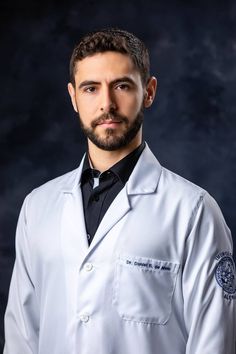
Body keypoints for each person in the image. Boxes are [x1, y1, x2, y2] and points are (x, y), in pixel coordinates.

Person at [4, 28, 235, 354]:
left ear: (149, 92)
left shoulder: (193, 211)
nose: (107, 104)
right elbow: (21, 339)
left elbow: (214, 344)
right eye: (90, 88)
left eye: (122, 86)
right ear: (73, 97)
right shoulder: (37, 208)